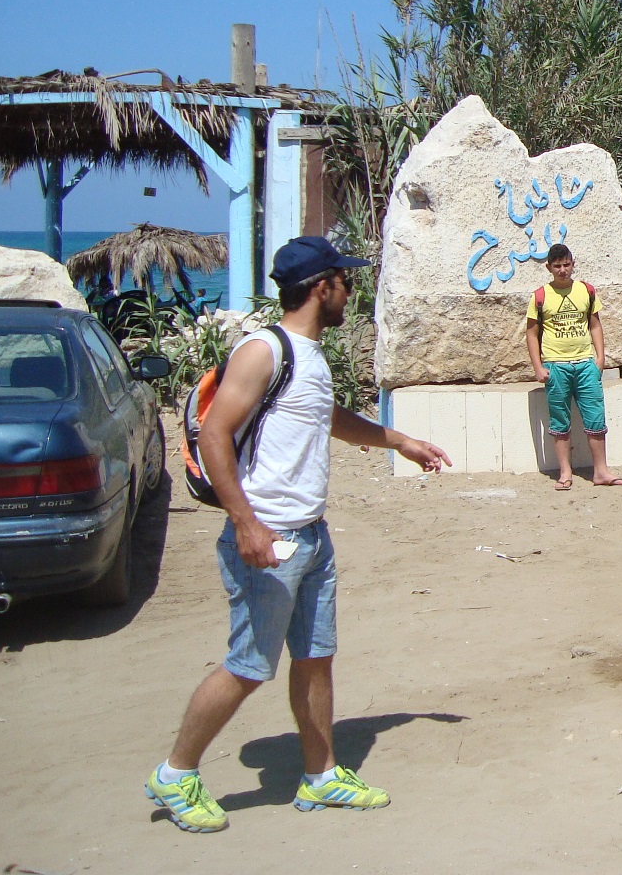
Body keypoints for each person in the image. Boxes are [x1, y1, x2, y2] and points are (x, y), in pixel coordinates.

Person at [146, 237, 451, 834]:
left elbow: (327, 419)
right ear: (321, 286)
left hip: (311, 537)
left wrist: (401, 441)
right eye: (345, 280)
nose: (351, 291)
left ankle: (320, 775)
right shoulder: (264, 351)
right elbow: (214, 434)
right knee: (249, 665)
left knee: (314, 658)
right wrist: (246, 523)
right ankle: (176, 772)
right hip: (268, 539)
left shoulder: (308, 357)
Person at [525, 243, 622, 491]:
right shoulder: (540, 296)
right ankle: (565, 472)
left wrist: (600, 358)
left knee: (595, 416)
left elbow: (595, 324)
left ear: (573, 264)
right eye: (557, 266)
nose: (562, 270)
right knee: (559, 420)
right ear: (549, 267)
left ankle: (601, 471)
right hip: (555, 365)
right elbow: (532, 333)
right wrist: (538, 367)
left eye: (566, 265)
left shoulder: (586, 291)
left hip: (585, 364)